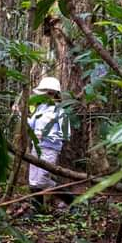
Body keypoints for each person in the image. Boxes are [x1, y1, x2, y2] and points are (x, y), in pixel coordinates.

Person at [26, 77, 68, 206]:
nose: (46, 95)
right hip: (36, 148)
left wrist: (45, 136)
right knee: (33, 180)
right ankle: (37, 211)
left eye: (49, 93)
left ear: (54, 93)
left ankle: (72, 202)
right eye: (44, 92)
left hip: (50, 149)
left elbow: (65, 134)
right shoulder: (40, 108)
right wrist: (19, 113)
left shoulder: (60, 111)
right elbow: (30, 125)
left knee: (43, 180)